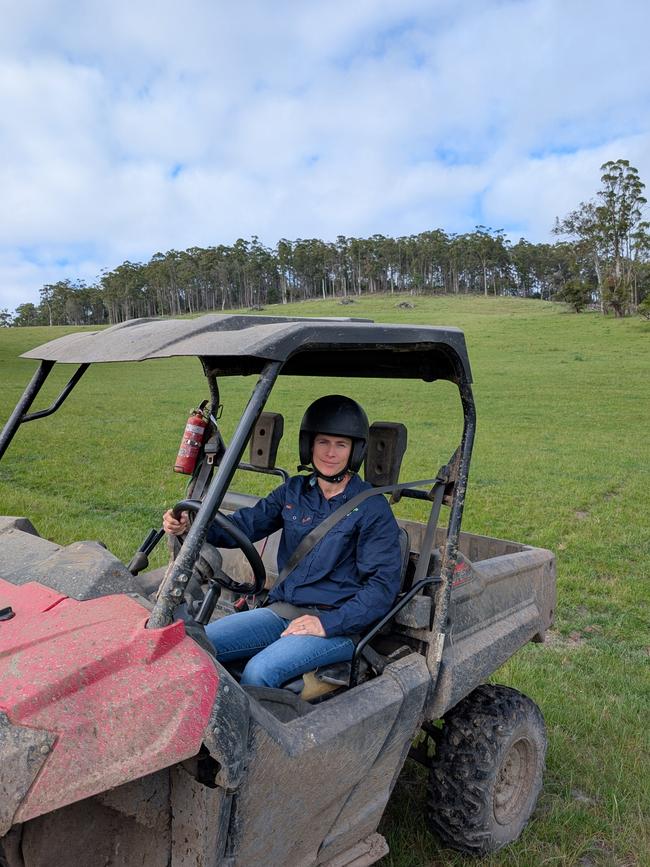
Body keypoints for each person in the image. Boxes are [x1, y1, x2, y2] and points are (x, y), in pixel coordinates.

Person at [163, 395, 401, 689]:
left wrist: (326, 625)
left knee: (258, 673)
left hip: (335, 626)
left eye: (341, 444)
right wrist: (192, 525)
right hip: (282, 612)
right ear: (309, 445)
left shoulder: (371, 508)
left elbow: (381, 588)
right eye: (323, 442)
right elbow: (243, 526)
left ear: (355, 451)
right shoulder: (294, 491)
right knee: (195, 645)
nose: (330, 453)